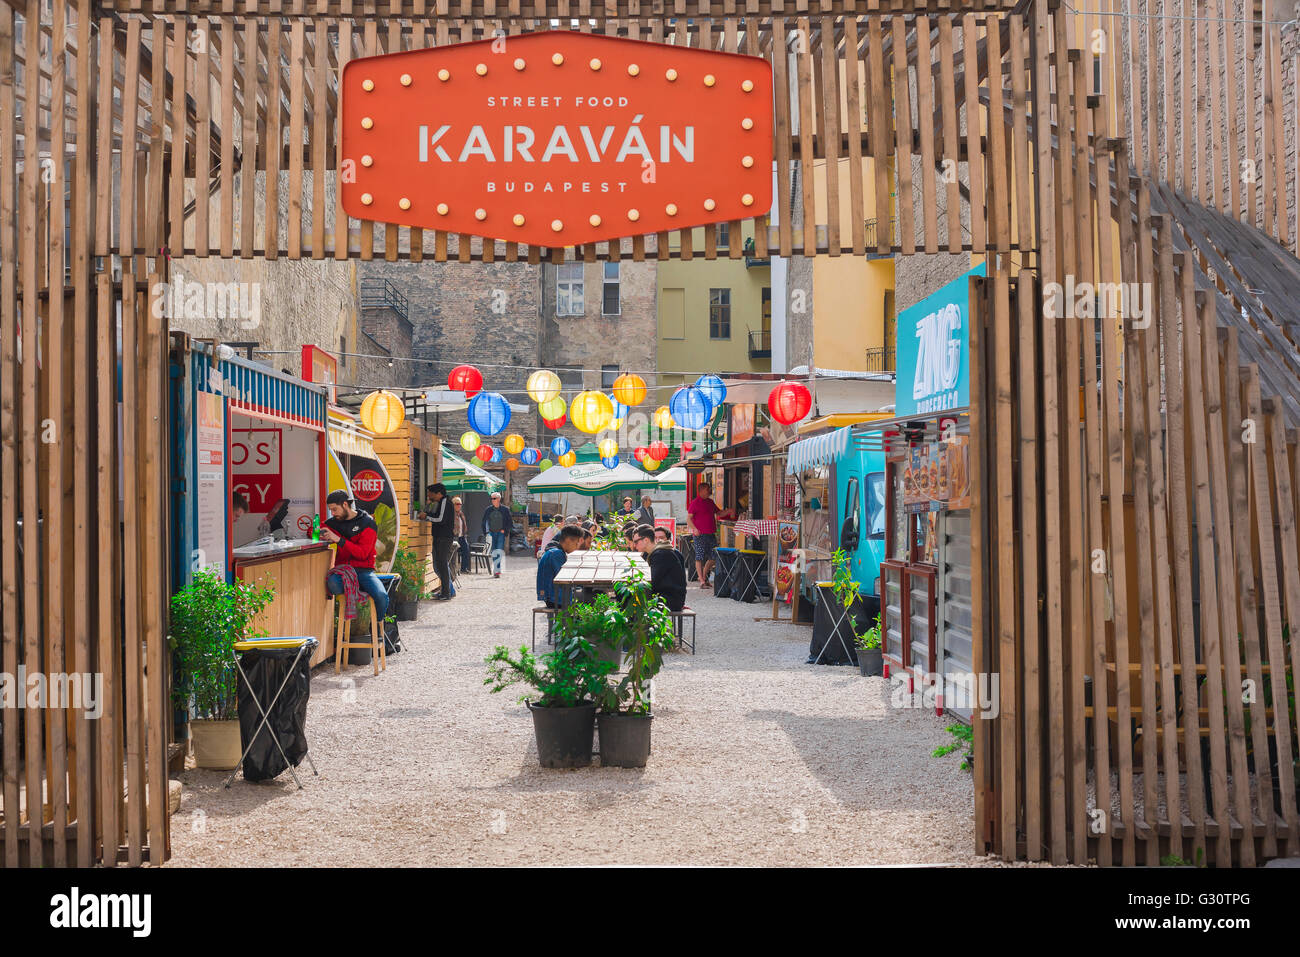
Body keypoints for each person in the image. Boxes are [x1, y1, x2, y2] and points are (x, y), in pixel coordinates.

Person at [321, 489, 389, 619]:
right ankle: (357, 598)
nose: (332, 513)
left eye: (334, 509)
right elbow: (313, 528)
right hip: (343, 570)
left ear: (345, 504)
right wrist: (320, 533)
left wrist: (339, 540)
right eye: (331, 510)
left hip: (364, 571)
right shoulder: (334, 522)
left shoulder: (368, 523)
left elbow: (362, 554)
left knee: (381, 596)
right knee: (332, 584)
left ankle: (376, 627)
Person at [634, 523, 686, 612]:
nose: (634, 545)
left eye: (636, 542)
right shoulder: (652, 553)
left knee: (629, 600)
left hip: (670, 600)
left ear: (646, 540)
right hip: (665, 596)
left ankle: (641, 626)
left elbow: (651, 582)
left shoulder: (661, 555)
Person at [537, 525, 583, 607]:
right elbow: (564, 579)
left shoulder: (554, 551)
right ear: (568, 540)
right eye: (576, 543)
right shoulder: (556, 554)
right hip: (554, 599)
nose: (577, 546)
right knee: (588, 597)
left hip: (551, 597)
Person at [686, 480, 722, 589]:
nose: (709, 491)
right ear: (701, 490)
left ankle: (704, 576)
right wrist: (694, 529)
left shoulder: (710, 502)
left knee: (713, 557)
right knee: (699, 557)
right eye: (707, 489)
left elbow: (719, 513)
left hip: (711, 533)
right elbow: (688, 519)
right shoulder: (695, 502)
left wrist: (730, 511)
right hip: (700, 534)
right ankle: (701, 580)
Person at [424, 483, 456, 600]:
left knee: (441, 565)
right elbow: (434, 515)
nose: (428, 495)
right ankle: (448, 590)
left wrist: (426, 517)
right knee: (439, 565)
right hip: (440, 537)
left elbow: (440, 519)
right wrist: (427, 511)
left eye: (430, 493)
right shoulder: (440, 503)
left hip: (443, 538)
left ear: (438, 493)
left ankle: (446, 593)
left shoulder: (444, 502)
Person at [481, 491, 513, 578]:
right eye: (491, 498)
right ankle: (496, 569)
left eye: (494, 498)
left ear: (499, 499)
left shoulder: (505, 510)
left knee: (498, 551)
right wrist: (487, 533)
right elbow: (484, 522)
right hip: (491, 533)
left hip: (500, 533)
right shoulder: (488, 510)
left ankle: (496, 570)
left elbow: (509, 522)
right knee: (494, 551)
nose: (492, 500)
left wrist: (504, 530)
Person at [452, 496, 471, 573]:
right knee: (453, 553)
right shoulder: (451, 514)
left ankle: (464, 568)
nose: (459, 505)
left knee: (466, 551)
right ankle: (453, 569)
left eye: (460, 504)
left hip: (461, 536)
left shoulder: (461, 514)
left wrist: (464, 533)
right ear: (453, 505)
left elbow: (464, 524)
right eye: (457, 504)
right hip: (454, 536)